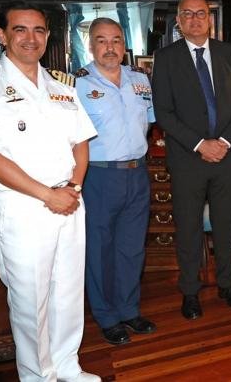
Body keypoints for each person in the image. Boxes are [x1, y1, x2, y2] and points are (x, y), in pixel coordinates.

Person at [0, 2, 99, 381]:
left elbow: (81, 142)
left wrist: (73, 187)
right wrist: (47, 195)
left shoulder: (61, 85)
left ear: (47, 37)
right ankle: (37, 375)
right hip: (23, 208)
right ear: (1, 35)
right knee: (31, 301)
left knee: (67, 292)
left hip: (69, 200)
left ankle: (67, 366)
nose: (30, 38)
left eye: (38, 31)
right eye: (20, 29)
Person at [151, 0, 231, 319]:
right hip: (186, 158)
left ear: (210, 19)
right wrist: (199, 144)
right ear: (178, 21)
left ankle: (227, 284)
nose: (194, 19)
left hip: (225, 155)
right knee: (189, 227)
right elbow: (163, 112)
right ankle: (190, 291)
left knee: (225, 225)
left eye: (201, 14)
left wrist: (221, 141)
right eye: (187, 15)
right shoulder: (166, 59)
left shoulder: (230, 55)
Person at [75, 18, 156, 345]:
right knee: (100, 249)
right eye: (101, 40)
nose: (109, 47)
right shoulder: (76, 83)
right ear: (90, 46)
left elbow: (146, 124)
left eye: (116, 40)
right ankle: (107, 315)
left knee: (131, 248)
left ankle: (128, 309)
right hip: (99, 175)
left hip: (137, 173)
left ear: (124, 45)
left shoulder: (140, 80)